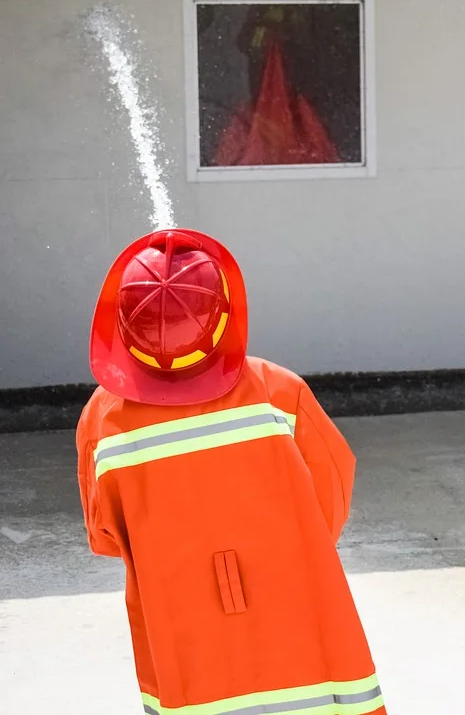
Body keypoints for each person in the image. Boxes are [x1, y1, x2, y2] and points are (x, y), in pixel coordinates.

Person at [75, 228, 386, 715]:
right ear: (221, 314)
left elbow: (105, 537)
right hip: (298, 615)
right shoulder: (278, 392)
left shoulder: (102, 420)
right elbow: (332, 491)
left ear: (121, 323)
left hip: (182, 636)